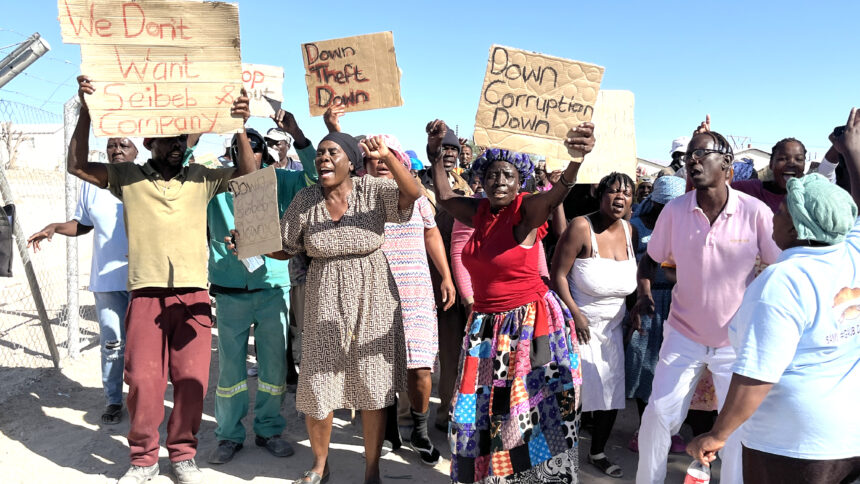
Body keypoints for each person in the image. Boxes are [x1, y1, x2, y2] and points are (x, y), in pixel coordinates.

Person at [69, 75, 256, 484]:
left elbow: (249, 178)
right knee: (144, 381)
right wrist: (86, 111)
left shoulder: (203, 178)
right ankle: (143, 459)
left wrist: (240, 126)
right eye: (167, 140)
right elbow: (77, 165)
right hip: (145, 294)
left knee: (191, 382)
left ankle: (183, 455)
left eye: (182, 140)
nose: (176, 146)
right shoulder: (127, 177)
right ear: (149, 143)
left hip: (192, 295)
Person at [427, 119, 595, 483]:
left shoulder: (525, 212)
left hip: (530, 325)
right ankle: (490, 476)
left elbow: (555, 195)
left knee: (527, 413)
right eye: (492, 175)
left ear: (520, 182)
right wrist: (435, 154)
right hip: (487, 328)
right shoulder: (479, 211)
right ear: (482, 180)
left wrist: (575, 162)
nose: (499, 182)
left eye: (507, 176)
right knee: (481, 412)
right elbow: (443, 196)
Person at [257, 131, 420, 484]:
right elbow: (287, 247)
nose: (323, 159)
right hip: (324, 294)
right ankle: (319, 464)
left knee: (372, 384)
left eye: (333, 152)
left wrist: (388, 156)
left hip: (373, 294)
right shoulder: (305, 200)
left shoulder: (373, 191)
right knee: (319, 382)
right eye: (319, 154)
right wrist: (252, 242)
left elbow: (412, 194)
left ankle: (372, 467)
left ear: (351, 162)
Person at [632, 129, 782, 484]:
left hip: (737, 342)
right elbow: (650, 261)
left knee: (737, 431)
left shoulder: (755, 212)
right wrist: (643, 294)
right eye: (689, 157)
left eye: (702, 154)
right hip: (684, 334)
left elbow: (779, 268)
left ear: (727, 164)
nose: (693, 162)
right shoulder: (674, 210)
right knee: (657, 416)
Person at [206, 116, 318, 465]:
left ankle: (269, 429)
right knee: (229, 372)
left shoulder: (279, 182)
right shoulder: (214, 187)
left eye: (252, 151)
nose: (246, 158)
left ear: (262, 156)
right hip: (229, 291)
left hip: (272, 287)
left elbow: (314, 179)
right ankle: (228, 435)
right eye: (238, 152)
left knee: (272, 369)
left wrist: (298, 136)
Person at [27, 136, 138, 426]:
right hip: (106, 279)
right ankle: (114, 399)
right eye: (112, 145)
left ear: (137, 150)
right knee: (112, 342)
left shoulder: (146, 181)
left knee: (142, 344)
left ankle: (142, 399)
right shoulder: (92, 184)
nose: (116, 150)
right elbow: (83, 224)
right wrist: (55, 227)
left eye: (124, 145)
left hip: (144, 279)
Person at [362, 132, 456, 466]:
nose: (380, 164)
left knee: (420, 370)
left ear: (398, 160)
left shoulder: (416, 196)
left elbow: (431, 233)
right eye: (373, 160)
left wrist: (445, 275)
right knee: (379, 370)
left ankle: (420, 430)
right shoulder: (358, 197)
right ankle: (388, 431)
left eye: (386, 158)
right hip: (374, 296)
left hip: (416, 292)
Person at [551, 172, 637, 478]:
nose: (619, 198)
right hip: (579, 326)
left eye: (626, 194)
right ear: (599, 195)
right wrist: (575, 313)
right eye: (613, 192)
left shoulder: (630, 231)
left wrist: (637, 307)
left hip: (614, 328)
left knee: (611, 393)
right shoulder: (580, 227)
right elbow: (558, 274)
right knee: (573, 395)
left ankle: (597, 452)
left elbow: (634, 279)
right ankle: (559, 458)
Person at [621, 176, 686, 453]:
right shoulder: (635, 228)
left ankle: (670, 428)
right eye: (664, 205)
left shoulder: (684, 226)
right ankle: (643, 426)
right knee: (643, 364)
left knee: (671, 365)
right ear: (656, 203)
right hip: (645, 299)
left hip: (677, 300)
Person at [417, 126, 473, 432]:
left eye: (453, 149)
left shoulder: (467, 187)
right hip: (421, 279)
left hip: (455, 282)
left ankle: (445, 414)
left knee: (452, 352)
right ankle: (409, 416)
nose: (449, 153)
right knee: (418, 355)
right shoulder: (416, 183)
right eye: (444, 149)